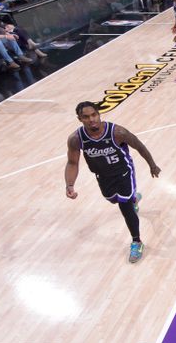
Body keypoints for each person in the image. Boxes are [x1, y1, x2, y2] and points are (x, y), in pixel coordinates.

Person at [65, 102, 161, 263]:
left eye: (94, 115)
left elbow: (139, 146)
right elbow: (72, 163)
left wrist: (152, 165)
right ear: (79, 119)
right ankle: (132, 199)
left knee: (125, 208)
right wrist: (69, 185)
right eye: (86, 117)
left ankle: (137, 241)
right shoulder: (76, 139)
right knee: (112, 199)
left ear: (99, 114)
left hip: (123, 173)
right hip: (102, 176)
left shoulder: (117, 132)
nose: (91, 119)